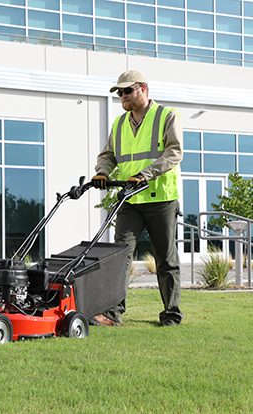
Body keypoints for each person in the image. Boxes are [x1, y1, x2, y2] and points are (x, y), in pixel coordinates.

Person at [90, 70, 184, 327]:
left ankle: (171, 315)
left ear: (143, 88)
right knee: (120, 255)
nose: (122, 96)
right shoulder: (119, 124)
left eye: (127, 91)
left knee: (165, 258)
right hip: (130, 200)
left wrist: (146, 174)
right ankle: (112, 314)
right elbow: (108, 154)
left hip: (160, 198)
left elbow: (174, 152)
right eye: (119, 93)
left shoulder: (167, 116)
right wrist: (102, 172)